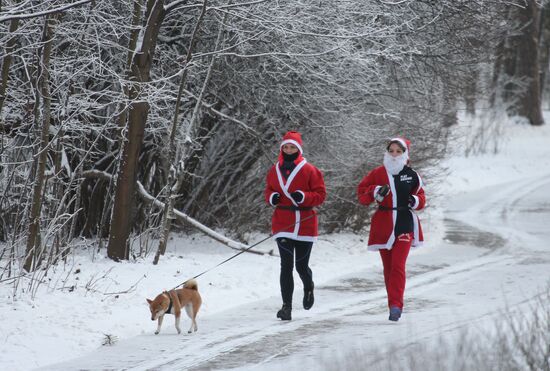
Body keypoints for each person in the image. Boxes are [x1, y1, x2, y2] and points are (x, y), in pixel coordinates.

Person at [357, 137, 426, 322]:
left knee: (397, 266)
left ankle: (396, 305)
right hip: (384, 223)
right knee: (388, 268)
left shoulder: (411, 174)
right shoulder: (378, 173)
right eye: (391, 150)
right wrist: (375, 192)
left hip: (404, 222)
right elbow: (362, 197)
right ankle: (392, 304)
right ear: (386, 152)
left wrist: (415, 200)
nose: (394, 154)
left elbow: (421, 198)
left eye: (398, 151)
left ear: (405, 154)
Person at [264, 131, 326, 321]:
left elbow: (321, 195)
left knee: (301, 266)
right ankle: (286, 307)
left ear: (298, 149)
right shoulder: (274, 170)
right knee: (286, 265)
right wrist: (271, 198)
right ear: (282, 148)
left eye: (292, 147)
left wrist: (305, 197)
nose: (288, 150)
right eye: (286, 147)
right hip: (283, 221)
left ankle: (308, 286)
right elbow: (269, 190)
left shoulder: (310, 170)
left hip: (305, 223)